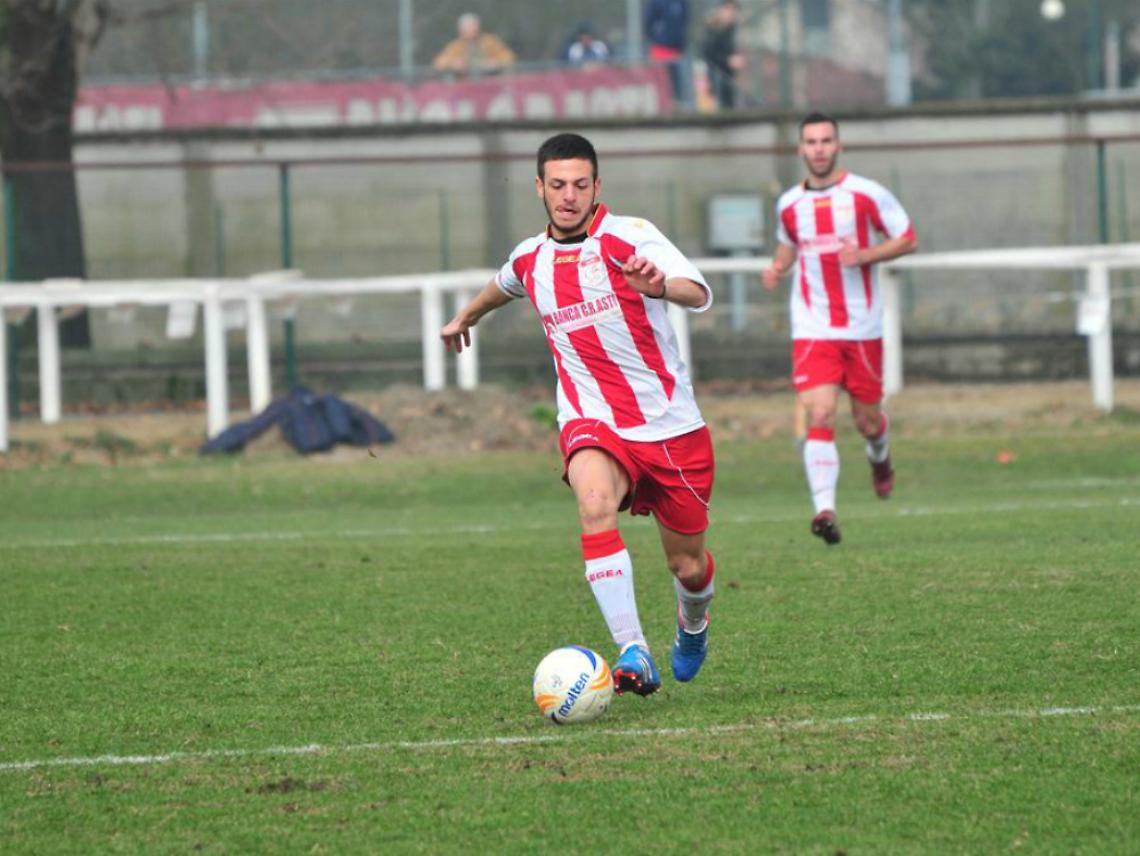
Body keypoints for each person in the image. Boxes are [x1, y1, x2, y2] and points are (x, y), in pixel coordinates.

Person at [441, 133, 717, 696]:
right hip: (592, 419)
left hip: (670, 426)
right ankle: (634, 651)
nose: (569, 196)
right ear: (539, 188)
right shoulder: (531, 257)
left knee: (688, 566)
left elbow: (696, 292)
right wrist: (465, 316)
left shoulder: (630, 236)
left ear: (597, 187)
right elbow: (503, 285)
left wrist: (659, 287)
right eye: (558, 185)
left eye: (580, 185)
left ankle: (693, 624)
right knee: (593, 504)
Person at [762, 112, 917, 545]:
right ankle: (824, 510)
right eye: (811, 141)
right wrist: (778, 266)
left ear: (838, 145)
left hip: (862, 326)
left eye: (826, 140)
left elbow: (907, 238)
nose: (819, 148)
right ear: (801, 149)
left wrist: (866, 255)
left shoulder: (866, 194)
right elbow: (789, 244)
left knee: (867, 422)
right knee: (820, 413)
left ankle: (879, 456)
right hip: (813, 325)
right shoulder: (789, 203)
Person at [432, 13, 516, 78]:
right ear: (460, 30)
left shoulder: (490, 41)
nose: (470, 30)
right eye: (466, 28)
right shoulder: (456, 46)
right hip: (466, 83)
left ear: (478, 27)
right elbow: (438, 63)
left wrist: (496, 62)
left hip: (490, 80)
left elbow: (509, 57)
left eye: (472, 26)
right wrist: (453, 63)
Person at [701, 0, 745, 110]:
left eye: (733, 9)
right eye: (727, 9)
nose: (731, 13)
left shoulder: (733, 29)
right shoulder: (712, 29)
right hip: (716, 80)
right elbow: (707, 55)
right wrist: (728, 60)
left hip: (729, 79)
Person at [645, 0, 690, 105]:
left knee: (677, 81)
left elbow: (685, 21)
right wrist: (657, 37)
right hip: (660, 49)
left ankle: (678, 102)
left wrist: (681, 43)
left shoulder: (681, 2)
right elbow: (648, 23)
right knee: (661, 80)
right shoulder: (656, 2)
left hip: (677, 50)